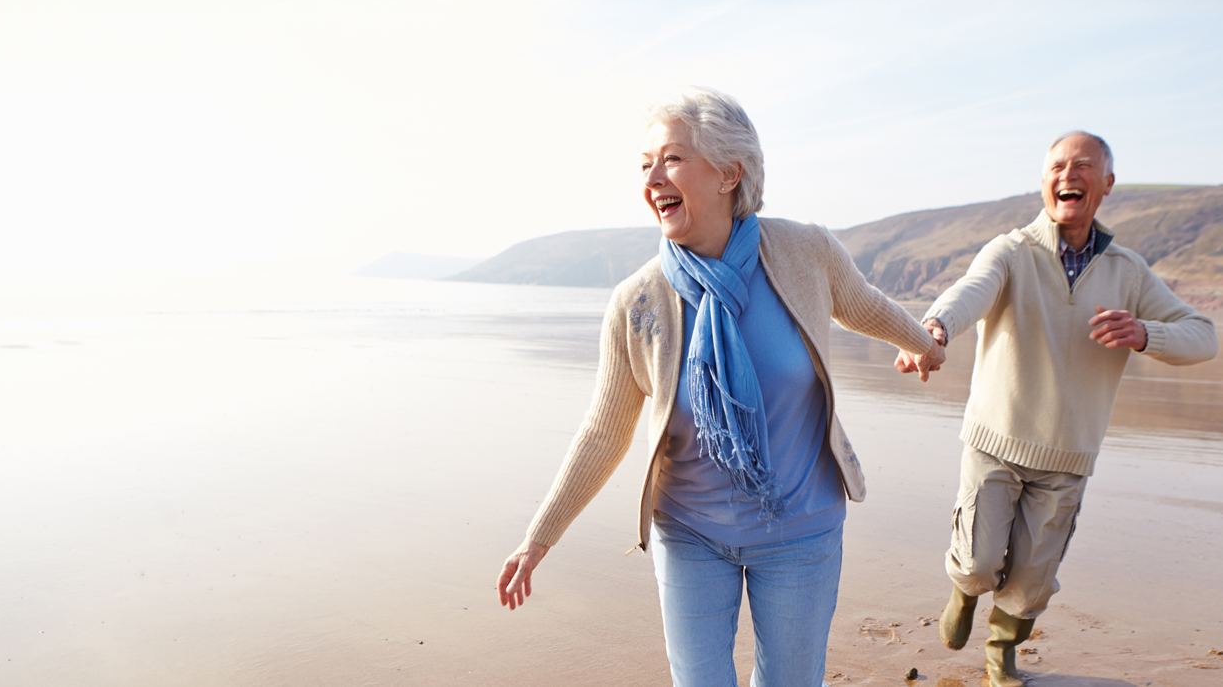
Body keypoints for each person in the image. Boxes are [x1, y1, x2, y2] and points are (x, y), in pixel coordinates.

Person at [496, 87, 946, 687]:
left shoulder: (803, 250)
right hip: (689, 531)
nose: (653, 176)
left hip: (801, 528)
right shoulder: (639, 300)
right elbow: (603, 433)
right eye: (645, 164)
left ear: (730, 173)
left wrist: (923, 342)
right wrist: (538, 538)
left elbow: (864, 306)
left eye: (672, 158)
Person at [895, 131, 1218, 687]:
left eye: (1083, 166)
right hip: (995, 439)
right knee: (977, 561)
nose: (1068, 174)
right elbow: (969, 291)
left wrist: (1145, 333)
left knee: (1033, 575)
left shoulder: (1129, 271)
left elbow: (1204, 336)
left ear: (1107, 184)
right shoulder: (1011, 250)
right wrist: (934, 328)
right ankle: (964, 592)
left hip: (1069, 453)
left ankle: (1002, 653)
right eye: (1058, 166)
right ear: (1044, 181)